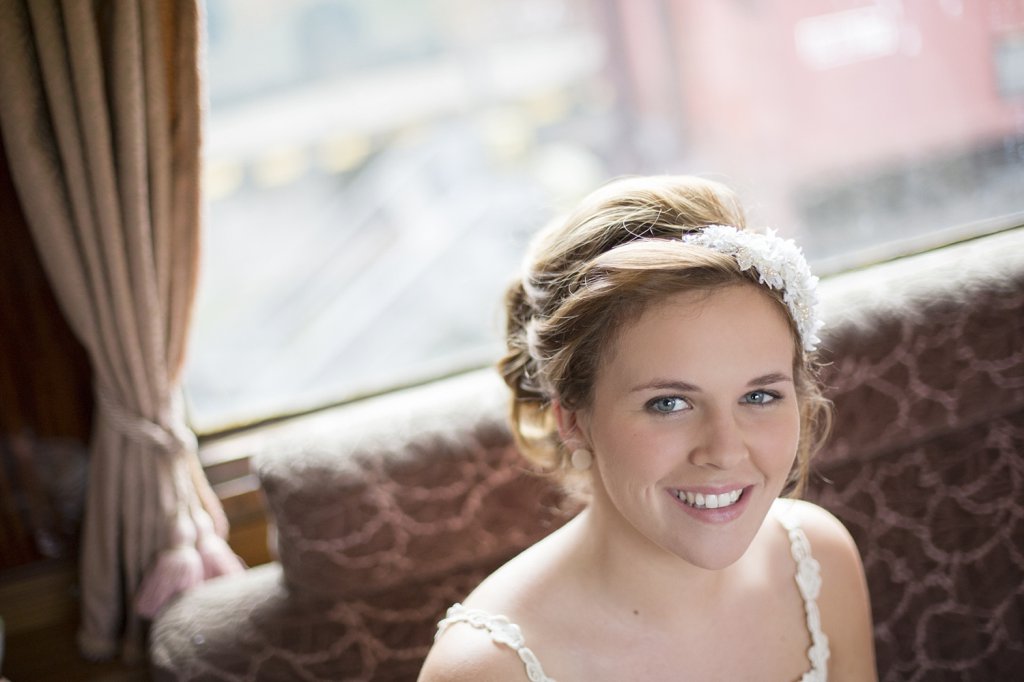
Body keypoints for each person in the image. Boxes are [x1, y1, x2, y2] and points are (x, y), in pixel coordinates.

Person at [418, 175, 876, 681]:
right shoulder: (486, 670)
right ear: (571, 420)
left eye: (759, 396)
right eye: (669, 403)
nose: (724, 450)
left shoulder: (815, 560)